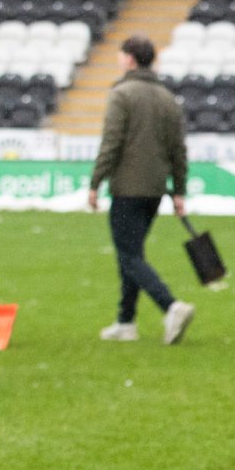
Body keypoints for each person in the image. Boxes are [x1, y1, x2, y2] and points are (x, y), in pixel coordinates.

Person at [88, 35, 195, 345]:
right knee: (132, 253)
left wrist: (95, 182)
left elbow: (112, 142)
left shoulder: (122, 94)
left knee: (129, 254)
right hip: (155, 190)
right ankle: (126, 321)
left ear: (130, 58)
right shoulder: (167, 98)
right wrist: (179, 191)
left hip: (127, 187)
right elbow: (179, 149)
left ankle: (170, 306)